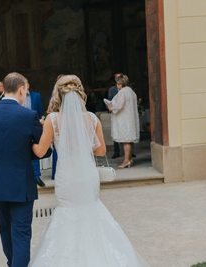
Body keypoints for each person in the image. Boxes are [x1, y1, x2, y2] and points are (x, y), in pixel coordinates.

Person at [29, 75, 148, 267]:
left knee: (67, 214)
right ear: (80, 93)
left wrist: (30, 143)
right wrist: (82, 144)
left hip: (66, 177)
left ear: (58, 95)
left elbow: (41, 151)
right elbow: (100, 150)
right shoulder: (92, 119)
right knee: (91, 211)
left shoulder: (52, 120)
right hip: (87, 176)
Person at [0, 72, 51, 267]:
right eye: (26, 90)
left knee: (5, 229)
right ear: (21, 89)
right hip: (20, 184)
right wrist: (28, 149)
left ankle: (12, 264)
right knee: (21, 233)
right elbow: (44, 150)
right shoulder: (28, 116)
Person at [107, 74, 140, 168]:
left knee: (126, 140)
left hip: (124, 119)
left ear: (120, 83)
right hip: (131, 119)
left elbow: (119, 106)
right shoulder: (131, 92)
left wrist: (111, 108)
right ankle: (129, 159)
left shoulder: (122, 92)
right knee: (129, 140)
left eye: (118, 83)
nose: (117, 85)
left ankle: (126, 161)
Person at [23, 82, 46, 187]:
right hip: (21, 126)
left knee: (35, 149)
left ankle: (37, 176)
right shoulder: (18, 95)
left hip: (34, 125)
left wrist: (41, 120)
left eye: (26, 83)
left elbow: (40, 110)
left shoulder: (36, 96)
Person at [107, 73, 122, 159]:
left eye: (119, 78)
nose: (118, 79)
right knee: (115, 132)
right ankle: (116, 152)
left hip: (124, 114)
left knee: (126, 132)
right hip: (115, 113)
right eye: (117, 78)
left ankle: (130, 152)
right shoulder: (112, 89)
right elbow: (109, 99)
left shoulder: (126, 89)